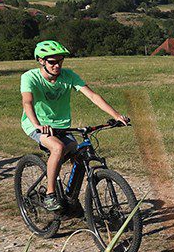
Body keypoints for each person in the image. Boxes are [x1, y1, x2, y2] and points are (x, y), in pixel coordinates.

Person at [19, 40, 129, 212]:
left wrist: (115, 115)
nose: (57, 65)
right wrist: (37, 125)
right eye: (52, 62)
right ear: (41, 60)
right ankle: (50, 195)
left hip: (61, 125)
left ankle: (70, 197)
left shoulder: (68, 76)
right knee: (57, 147)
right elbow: (27, 102)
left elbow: (92, 96)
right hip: (36, 123)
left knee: (77, 152)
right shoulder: (29, 77)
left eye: (60, 61)